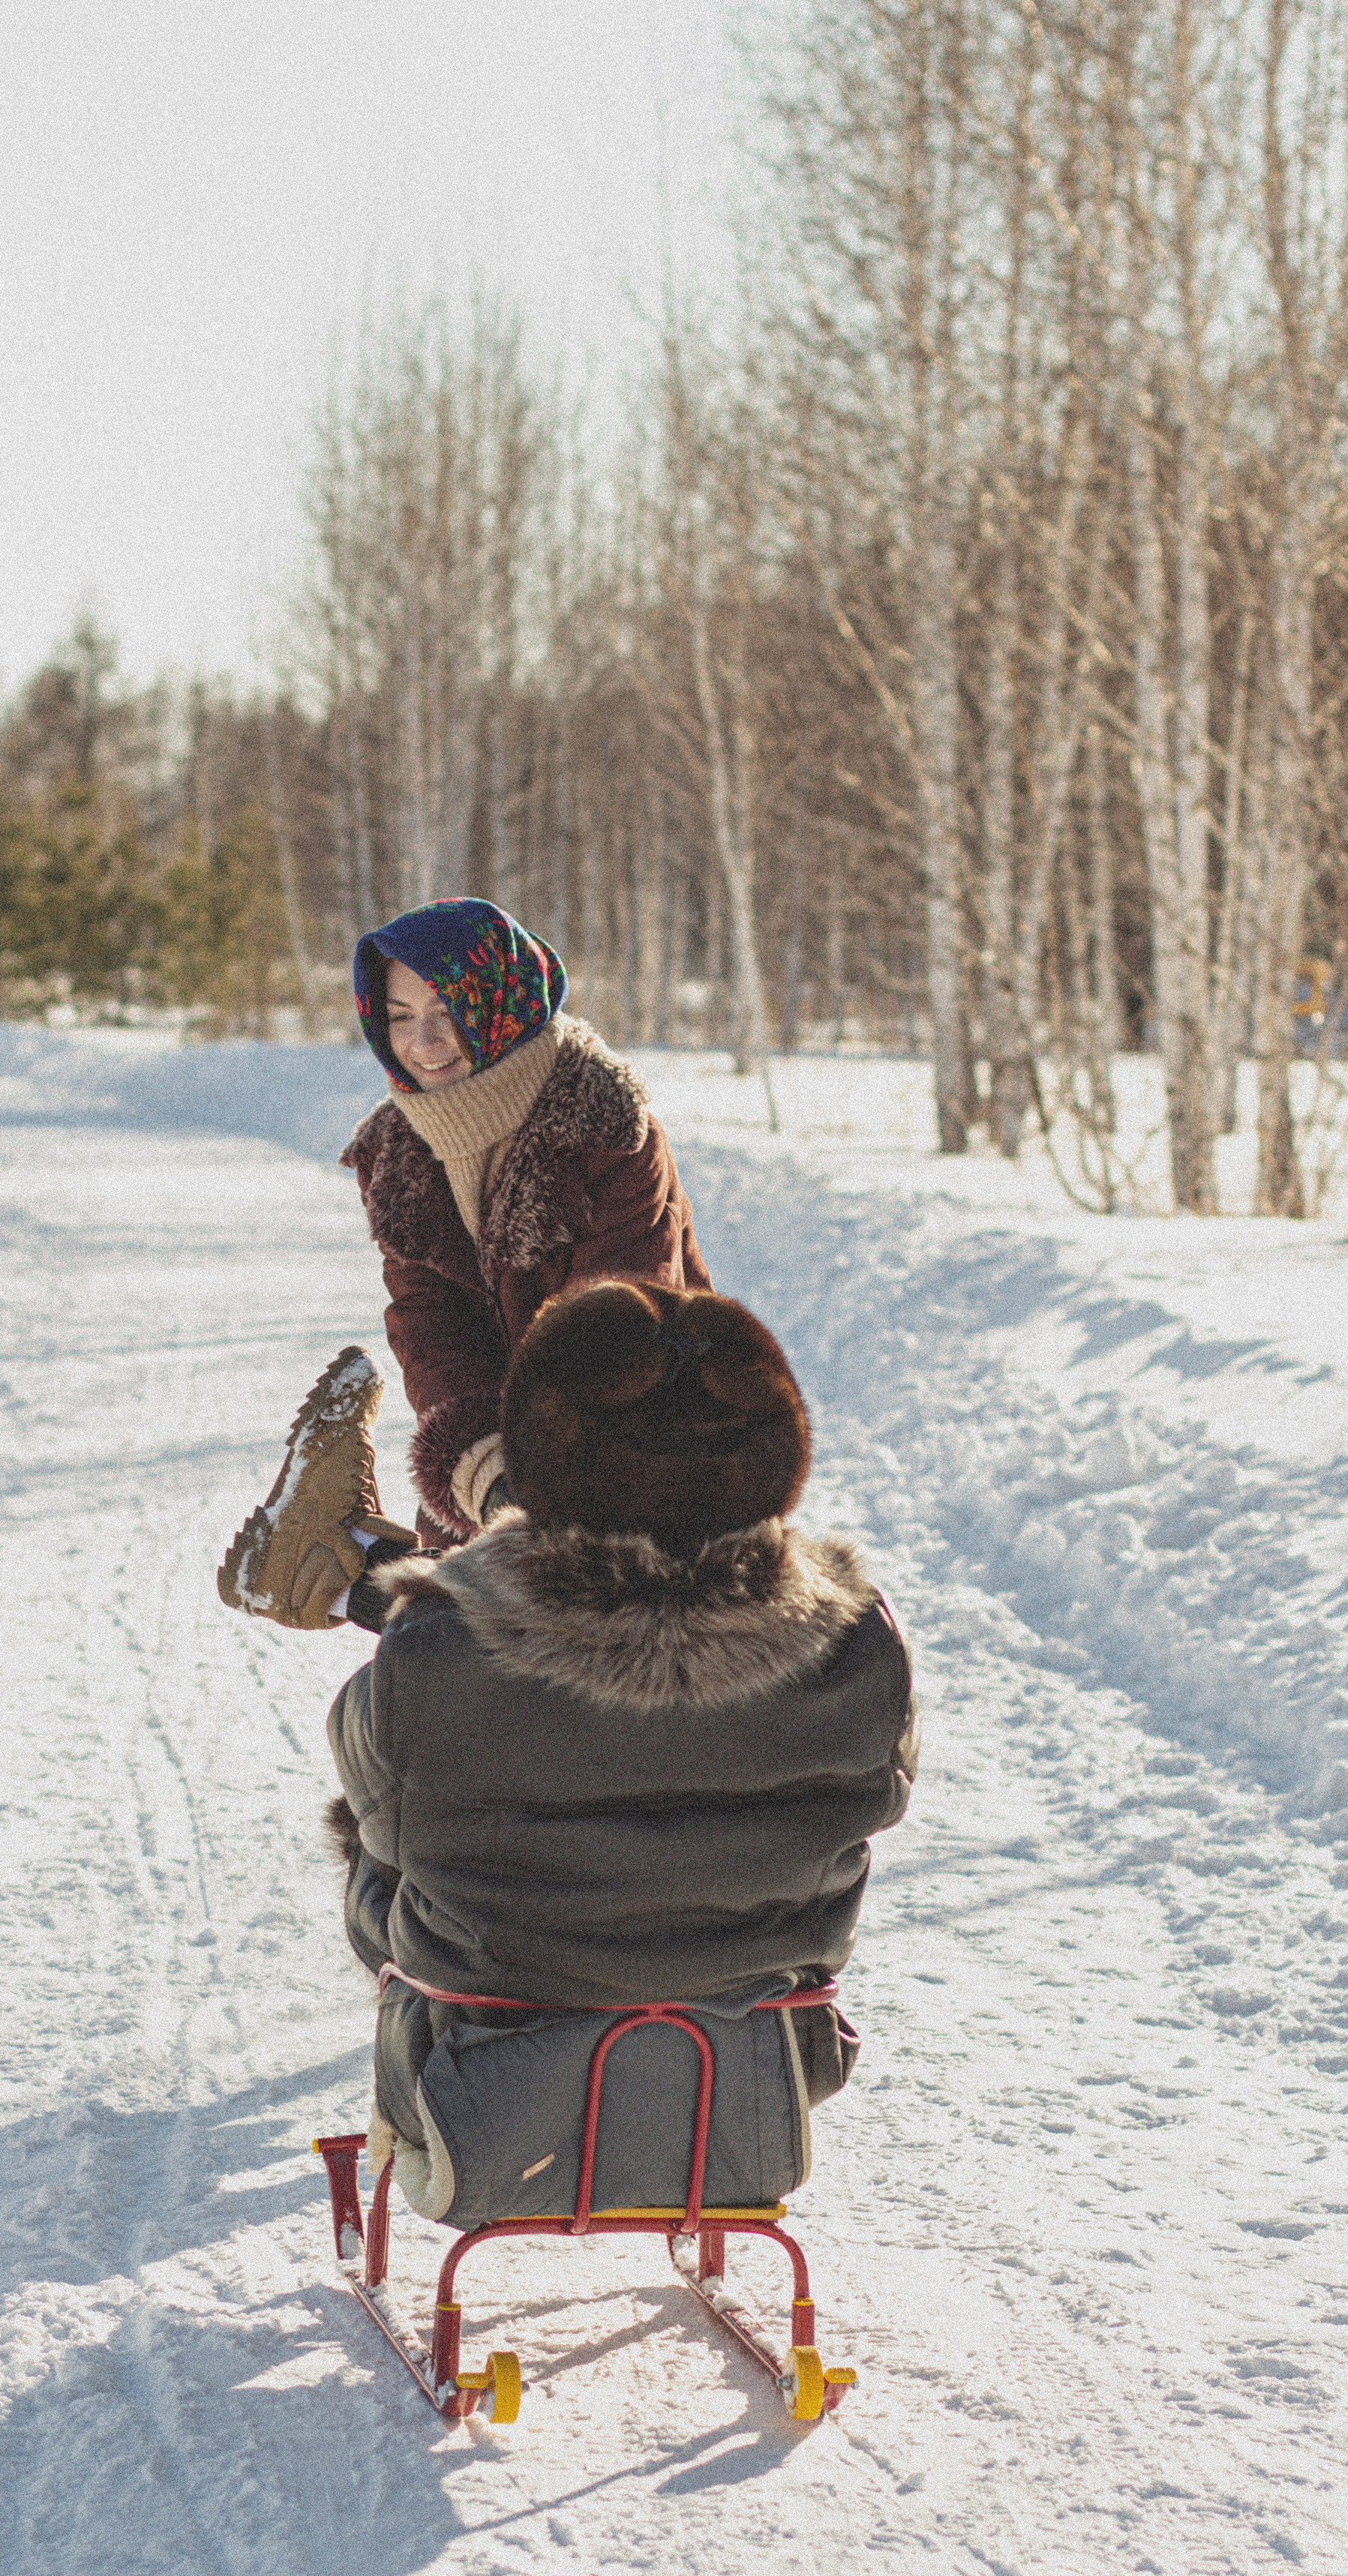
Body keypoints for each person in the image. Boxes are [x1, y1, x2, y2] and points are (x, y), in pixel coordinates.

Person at [325, 1280, 917, 2230]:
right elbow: (881, 1792)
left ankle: (346, 1569)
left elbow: (377, 1798)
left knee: (374, 1845)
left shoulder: (440, 1649)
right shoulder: (857, 1643)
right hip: (759, 2071)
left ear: (538, 1455)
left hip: (473, 2071)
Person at [220, 898, 711, 1635]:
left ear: (503, 1005)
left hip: (639, 1429)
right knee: (480, 1656)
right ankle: (338, 1559)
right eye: (399, 1016)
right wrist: (483, 1469)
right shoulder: (396, 1153)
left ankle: (337, 1566)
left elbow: (620, 1319)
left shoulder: (606, 1127)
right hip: (497, 1456)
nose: (424, 1043)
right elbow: (431, 1327)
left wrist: (532, 1486)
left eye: (449, 1010)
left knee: (628, 1632)